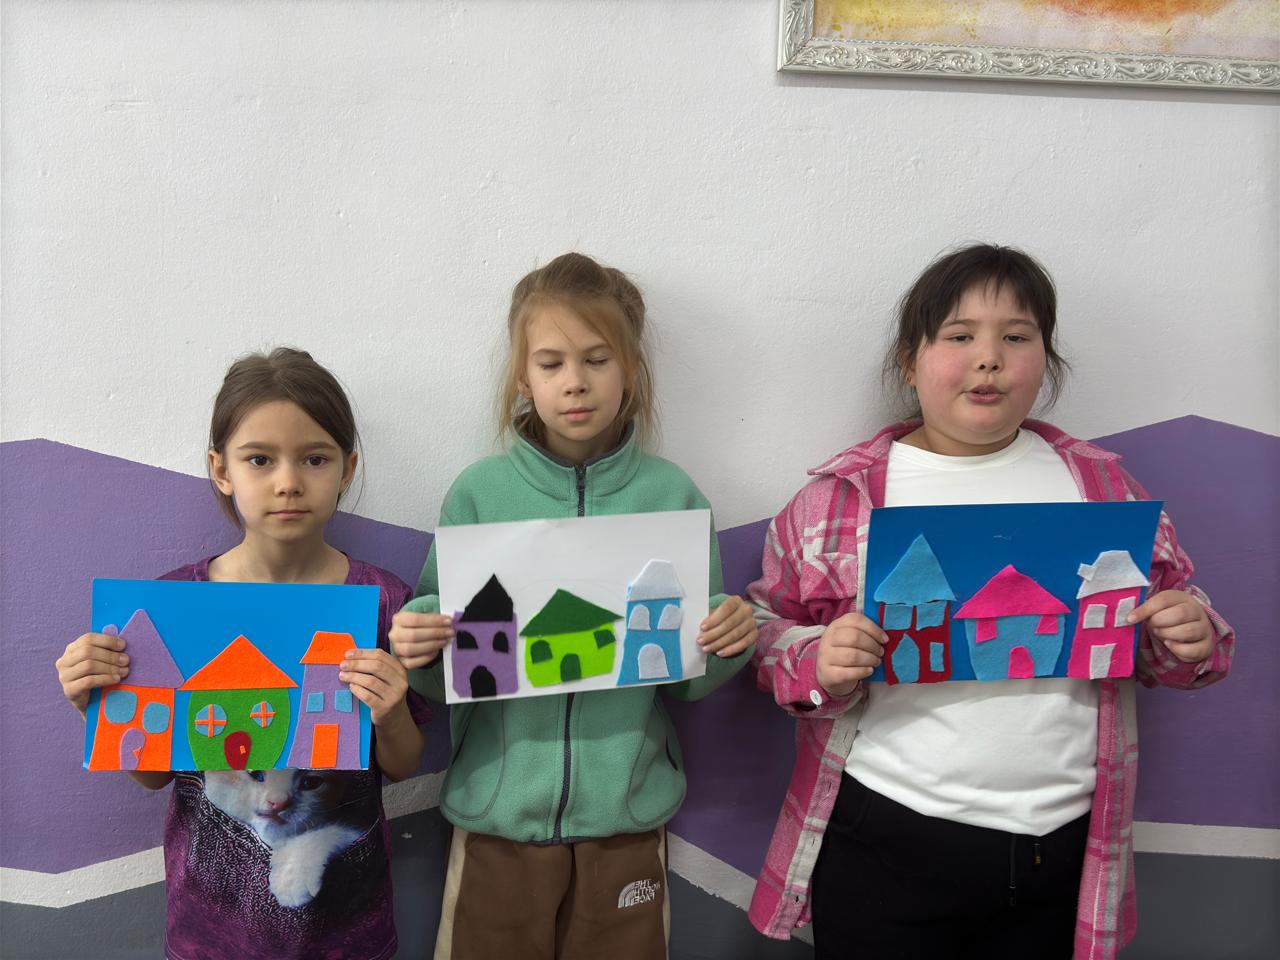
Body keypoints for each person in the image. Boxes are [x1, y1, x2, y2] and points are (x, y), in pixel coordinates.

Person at [747, 244, 1234, 960]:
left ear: (1046, 360)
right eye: (959, 336)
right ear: (909, 362)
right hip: (886, 831)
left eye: (1016, 336)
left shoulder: (1103, 489)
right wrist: (818, 660)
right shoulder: (835, 501)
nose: (989, 359)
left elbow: (1171, 635)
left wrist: (1188, 633)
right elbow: (765, 635)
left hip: (1064, 844)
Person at [390, 251, 757, 960]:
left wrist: (729, 639)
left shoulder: (672, 496)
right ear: (522, 376)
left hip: (626, 822)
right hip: (497, 822)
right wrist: (420, 647)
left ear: (631, 370)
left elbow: (687, 677)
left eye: (597, 358)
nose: (575, 381)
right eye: (551, 362)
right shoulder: (478, 494)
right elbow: (444, 671)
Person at [56, 347, 429, 960]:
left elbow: (404, 762)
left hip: (349, 931)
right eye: (260, 459)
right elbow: (153, 774)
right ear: (221, 469)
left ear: (348, 468)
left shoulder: (385, 601)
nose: (288, 481)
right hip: (212, 932)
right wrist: (96, 704)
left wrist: (389, 713)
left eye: (315, 458)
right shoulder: (174, 605)